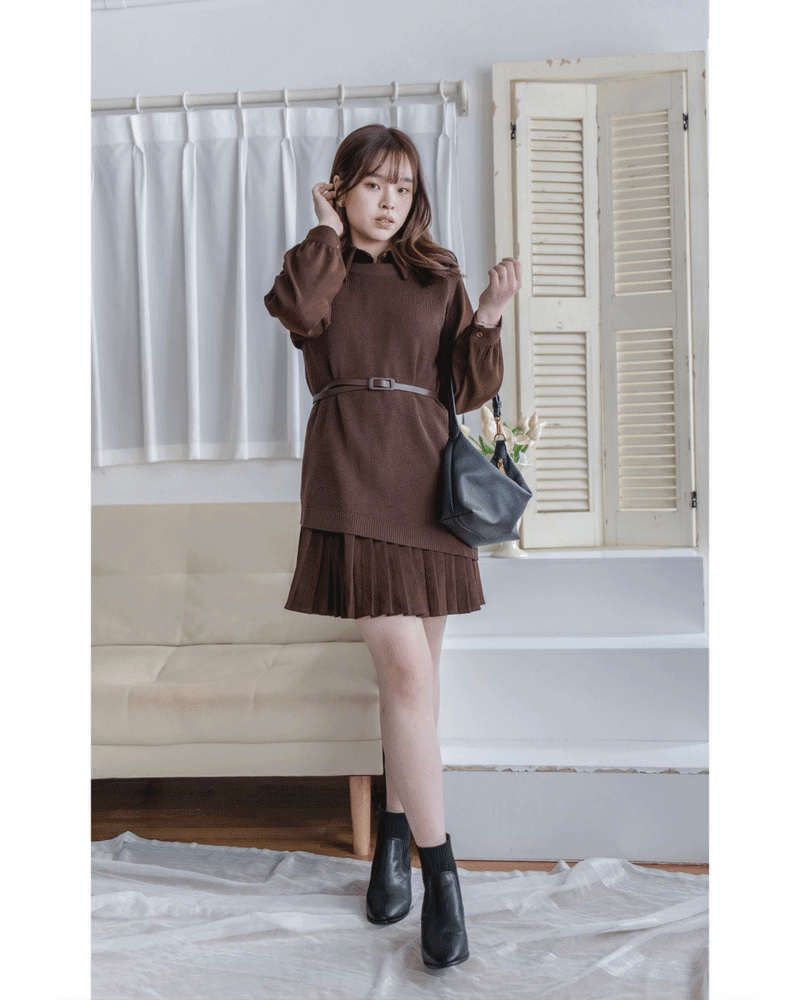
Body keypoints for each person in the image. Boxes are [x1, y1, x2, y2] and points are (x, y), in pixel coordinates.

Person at [264, 124, 521, 971]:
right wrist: (325, 232)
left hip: (427, 487)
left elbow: (466, 390)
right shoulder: (319, 265)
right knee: (408, 677)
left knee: (415, 686)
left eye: (404, 188)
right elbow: (301, 313)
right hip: (350, 476)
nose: (390, 202)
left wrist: (487, 316)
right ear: (341, 189)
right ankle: (444, 880)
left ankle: (393, 842)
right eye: (373, 184)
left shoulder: (437, 275)